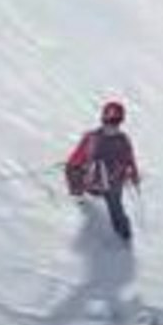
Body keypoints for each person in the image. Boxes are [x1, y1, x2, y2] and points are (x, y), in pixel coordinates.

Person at [65, 100, 141, 243]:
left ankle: (79, 196)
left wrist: (73, 168)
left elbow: (75, 159)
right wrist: (134, 176)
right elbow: (130, 161)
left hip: (92, 184)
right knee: (116, 209)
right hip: (114, 185)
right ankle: (124, 235)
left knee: (74, 171)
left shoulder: (91, 137)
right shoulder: (123, 140)